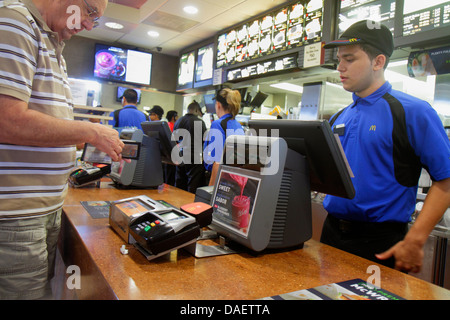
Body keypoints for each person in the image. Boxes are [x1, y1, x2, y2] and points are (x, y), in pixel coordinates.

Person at [0, 0, 124, 300]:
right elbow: (8, 120)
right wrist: (89, 131)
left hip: (41, 210)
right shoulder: (15, 21)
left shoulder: (51, 40)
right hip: (17, 217)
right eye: (90, 12)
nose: (88, 25)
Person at [321, 20, 450, 272]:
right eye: (339, 60)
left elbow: (446, 179)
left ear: (378, 62)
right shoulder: (339, 117)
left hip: (380, 242)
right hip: (331, 233)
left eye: (349, 59)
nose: (340, 67)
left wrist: (416, 238)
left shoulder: (413, 112)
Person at [203, 88, 245, 185]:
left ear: (218, 105)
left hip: (219, 178)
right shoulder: (238, 125)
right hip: (233, 178)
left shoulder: (217, 124)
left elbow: (217, 162)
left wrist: (210, 190)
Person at [173, 101, 207, 193]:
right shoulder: (200, 122)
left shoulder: (179, 121)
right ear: (196, 110)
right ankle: (189, 204)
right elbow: (204, 141)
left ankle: (177, 203)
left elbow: (174, 139)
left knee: (180, 183)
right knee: (193, 184)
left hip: (181, 154)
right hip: (195, 156)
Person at [164, 110, 178, 186]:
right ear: (173, 117)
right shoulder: (174, 126)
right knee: (171, 180)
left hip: (166, 156)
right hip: (172, 155)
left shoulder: (166, 125)